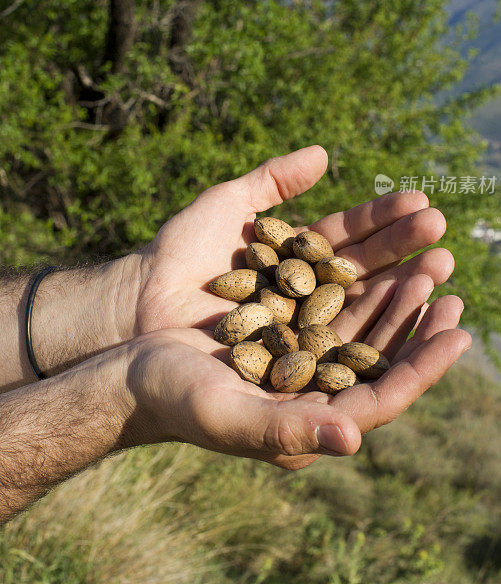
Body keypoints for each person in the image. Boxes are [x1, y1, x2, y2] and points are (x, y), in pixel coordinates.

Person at [0, 146, 471, 523]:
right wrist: (124, 392)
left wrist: (113, 305)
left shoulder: (298, 307)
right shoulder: (281, 298)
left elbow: (297, 326)